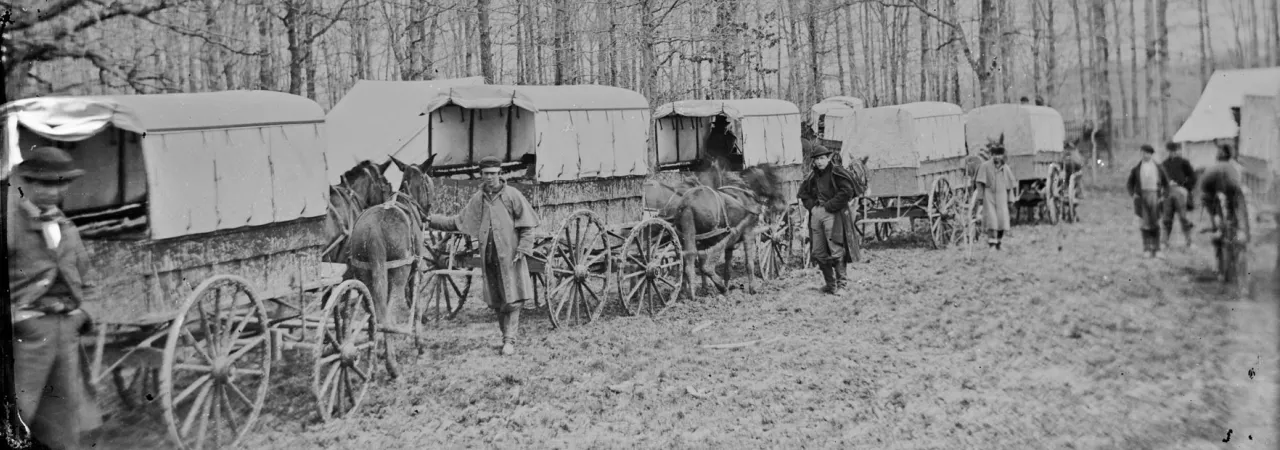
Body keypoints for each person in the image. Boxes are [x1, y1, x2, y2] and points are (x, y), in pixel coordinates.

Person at [8, 146, 102, 450]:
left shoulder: (66, 227)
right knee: (17, 417)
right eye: (42, 183)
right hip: (25, 337)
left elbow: (87, 280)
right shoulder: (10, 225)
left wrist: (83, 314)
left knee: (61, 422)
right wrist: (16, 317)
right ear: (27, 182)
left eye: (59, 184)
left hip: (65, 333)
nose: (51, 191)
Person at [427, 156, 539, 356]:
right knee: (498, 299)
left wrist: (522, 249)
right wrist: (430, 221)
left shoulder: (512, 195)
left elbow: (527, 226)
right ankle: (504, 335)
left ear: (500, 174)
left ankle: (509, 340)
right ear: (481, 175)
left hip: (511, 256)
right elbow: (457, 222)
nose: (490, 178)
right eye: (486, 174)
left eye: (494, 174)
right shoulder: (478, 199)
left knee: (513, 297)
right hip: (489, 257)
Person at [797, 145, 862, 294]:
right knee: (818, 252)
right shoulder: (812, 177)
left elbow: (847, 191)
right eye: (816, 159)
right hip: (816, 214)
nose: (819, 162)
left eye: (822, 158)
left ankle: (842, 286)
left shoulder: (837, 173)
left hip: (833, 214)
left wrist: (830, 205)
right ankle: (830, 285)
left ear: (828, 158)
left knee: (836, 249)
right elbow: (804, 195)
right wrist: (812, 208)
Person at [1127, 144, 1170, 258]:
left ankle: (1157, 249)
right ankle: (1146, 248)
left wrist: (1163, 196)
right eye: (1143, 153)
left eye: (1147, 153)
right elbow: (1130, 184)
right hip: (1142, 197)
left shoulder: (1158, 167)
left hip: (1155, 195)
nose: (1145, 155)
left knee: (1155, 223)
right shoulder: (1137, 168)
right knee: (1145, 223)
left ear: (1151, 154)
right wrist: (1134, 195)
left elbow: (1166, 184)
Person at [975, 145, 1016, 250]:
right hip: (989, 196)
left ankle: (999, 243)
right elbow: (979, 182)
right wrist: (980, 197)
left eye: (999, 154)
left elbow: (1010, 186)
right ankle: (991, 244)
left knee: (1002, 221)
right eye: (995, 155)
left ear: (1002, 155)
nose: (997, 157)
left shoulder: (1005, 168)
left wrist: (1011, 199)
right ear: (991, 155)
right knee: (992, 220)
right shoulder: (985, 166)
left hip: (1002, 196)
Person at [1160, 141, 1197, 248]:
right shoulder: (1164, 164)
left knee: (1184, 218)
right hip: (1168, 192)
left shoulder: (1184, 162)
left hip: (1181, 192)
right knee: (1167, 218)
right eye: (1171, 151)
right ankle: (1164, 242)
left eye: (1174, 150)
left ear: (1178, 150)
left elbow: (1193, 177)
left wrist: (1184, 187)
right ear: (1168, 151)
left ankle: (1190, 242)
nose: (1173, 153)